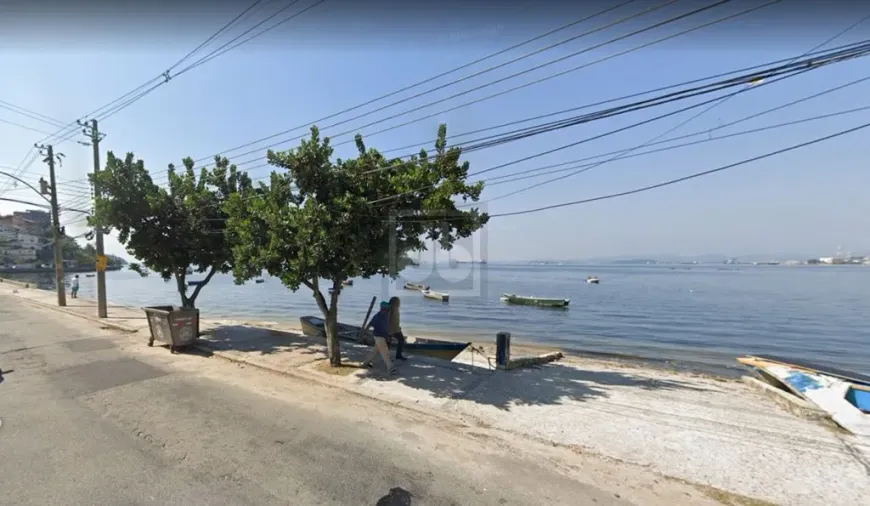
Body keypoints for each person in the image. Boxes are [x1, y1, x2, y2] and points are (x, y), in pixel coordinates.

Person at [362, 301, 397, 374]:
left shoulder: (379, 315)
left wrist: (365, 331)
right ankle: (391, 368)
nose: (387, 310)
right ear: (383, 308)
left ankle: (365, 363)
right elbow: (383, 328)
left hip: (378, 336)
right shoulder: (382, 316)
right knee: (385, 353)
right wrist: (365, 331)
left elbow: (370, 323)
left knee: (374, 351)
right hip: (379, 336)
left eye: (387, 309)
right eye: (386, 309)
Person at [388, 296, 406, 361]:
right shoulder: (389, 309)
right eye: (398, 301)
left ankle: (398, 355)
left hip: (396, 329)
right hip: (389, 329)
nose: (399, 303)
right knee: (388, 343)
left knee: (401, 340)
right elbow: (387, 319)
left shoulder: (396, 308)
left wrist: (398, 327)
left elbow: (396, 319)